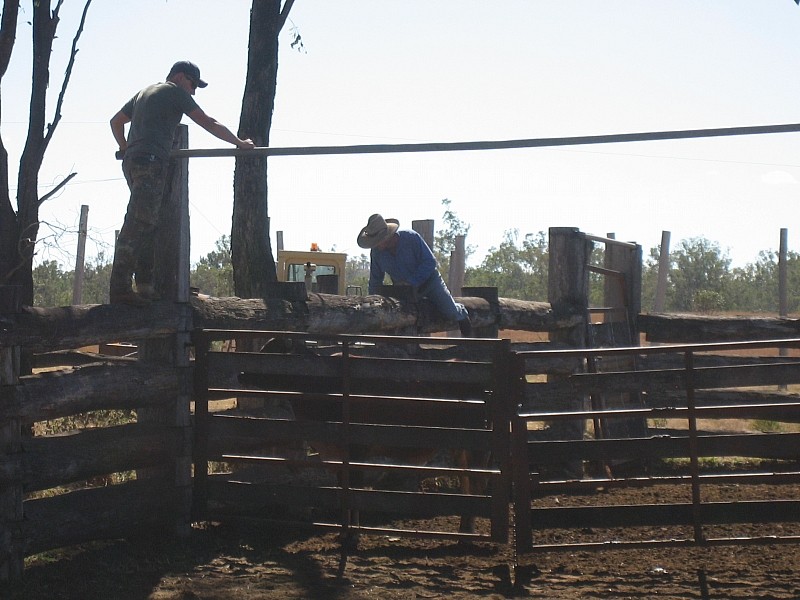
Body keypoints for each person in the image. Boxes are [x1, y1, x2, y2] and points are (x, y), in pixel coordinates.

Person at [108, 60, 255, 305]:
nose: (193, 91)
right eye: (193, 83)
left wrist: (125, 148)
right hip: (151, 161)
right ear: (179, 77)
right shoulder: (174, 92)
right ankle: (120, 289)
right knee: (137, 222)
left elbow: (115, 122)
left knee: (148, 220)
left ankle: (145, 285)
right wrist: (239, 143)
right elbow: (208, 122)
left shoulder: (145, 93)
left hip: (134, 162)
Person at [357, 213, 473, 337]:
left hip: (430, 283)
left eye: (378, 241)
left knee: (451, 312)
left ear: (387, 237)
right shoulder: (376, 253)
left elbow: (430, 262)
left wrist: (412, 282)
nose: (376, 245)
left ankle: (464, 321)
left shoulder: (411, 238)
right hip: (402, 291)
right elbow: (375, 280)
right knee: (400, 318)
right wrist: (372, 300)